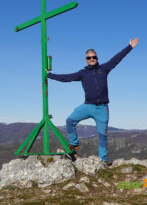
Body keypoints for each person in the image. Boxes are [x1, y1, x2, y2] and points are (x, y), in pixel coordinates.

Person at [47, 37, 139, 165]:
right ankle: (74, 144)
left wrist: (129, 47)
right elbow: (67, 78)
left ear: (97, 58)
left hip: (102, 108)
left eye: (94, 57)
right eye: (89, 58)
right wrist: (50, 75)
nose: (92, 59)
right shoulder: (82, 73)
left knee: (102, 136)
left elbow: (117, 59)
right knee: (70, 120)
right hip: (88, 106)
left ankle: (103, 160)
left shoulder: (104, 69)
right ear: (86, 59)